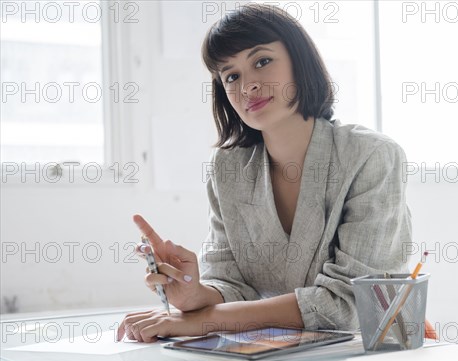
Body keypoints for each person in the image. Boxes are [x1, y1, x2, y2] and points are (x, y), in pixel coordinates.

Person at [117, 3, 435, 343]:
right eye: (232, 76)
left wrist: (208, 320)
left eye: (262, 61)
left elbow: (351, 305)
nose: (248, 85)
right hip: (273, 357)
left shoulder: (371, 156)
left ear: (300, 62)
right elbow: (233, 285)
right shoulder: (228, 168)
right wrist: (194, 296)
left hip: (371, 360)